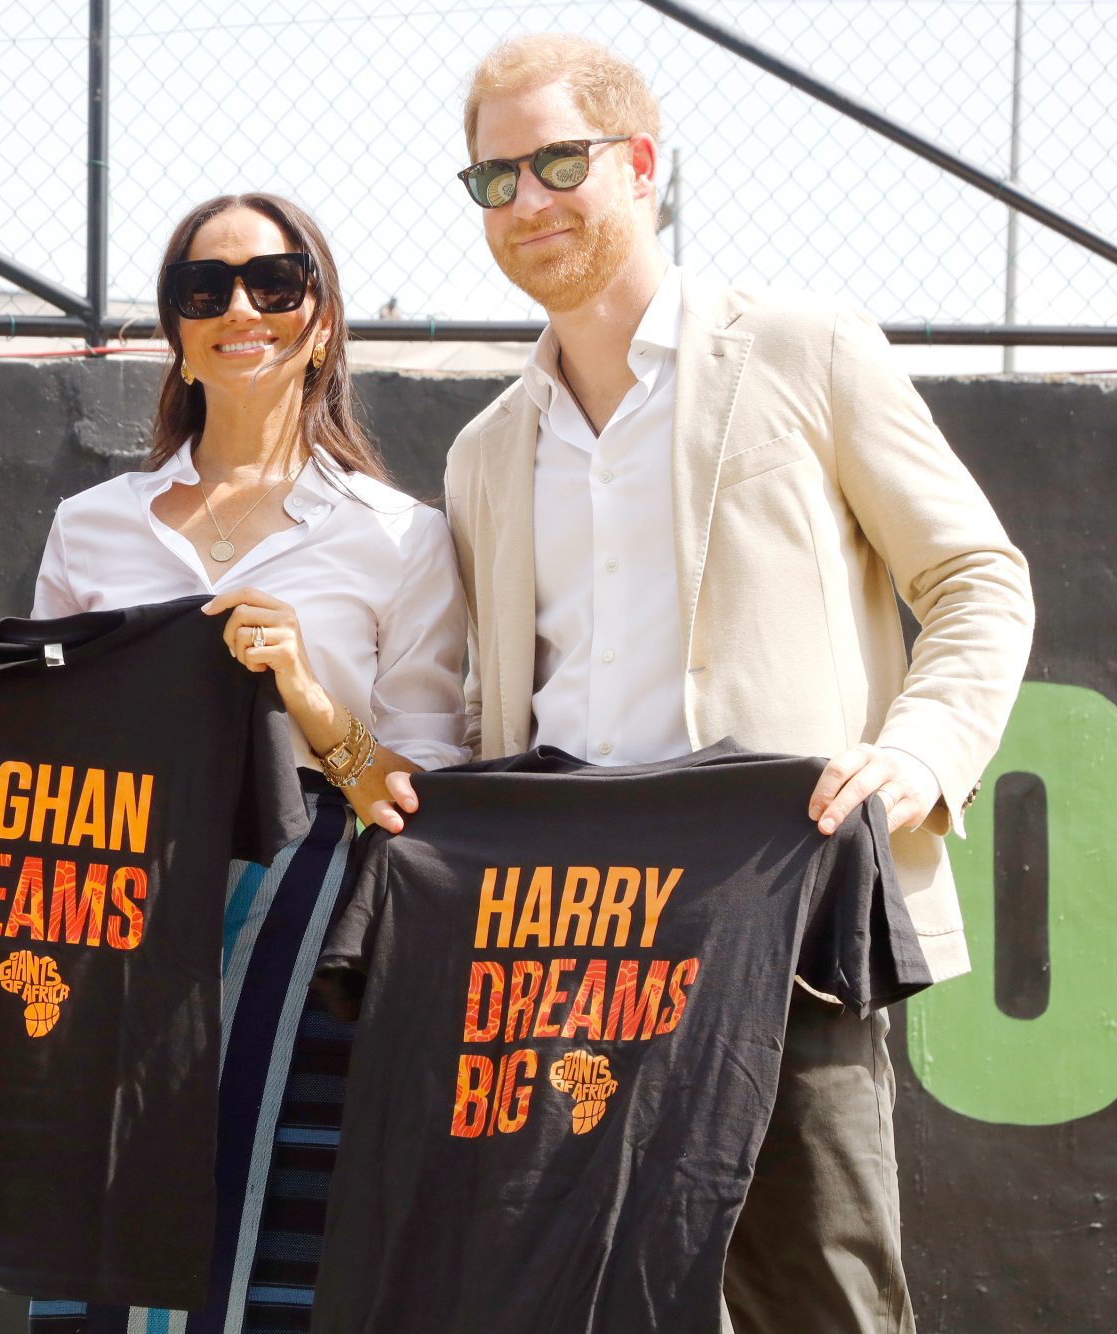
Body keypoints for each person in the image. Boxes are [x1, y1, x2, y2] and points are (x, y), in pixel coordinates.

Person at [379, 33, 1035, 1332]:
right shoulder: (481, 454)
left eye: (557, 161)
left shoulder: (804, 348)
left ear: (640, 164)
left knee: (823, 1304)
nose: (527, 201)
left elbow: (979, 580)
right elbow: (483, 719)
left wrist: (916, 757)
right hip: (564, 958)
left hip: (778, 930)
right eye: (493, 177)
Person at [0, 192, 468, 1332]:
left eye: (273, 280)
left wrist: (306, 696)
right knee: (96, 1210)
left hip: (305, 932)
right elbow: (31, 763)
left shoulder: (397, 535)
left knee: (273, 1229)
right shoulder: (93, 523)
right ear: (172, 324)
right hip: (105, 912)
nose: (238, 309)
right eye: (200, 289)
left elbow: (417, 795)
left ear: (320, 313)